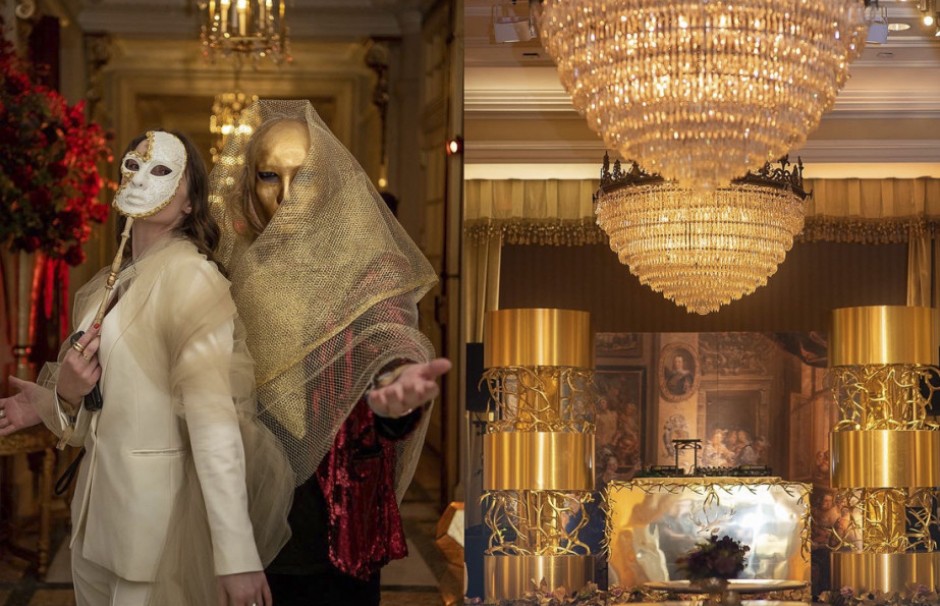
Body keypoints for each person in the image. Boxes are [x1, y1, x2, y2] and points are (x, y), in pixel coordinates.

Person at [0, 130, 292, 606]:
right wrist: (57, 397)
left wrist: (235, 554)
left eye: (161, 170)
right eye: (133, 165)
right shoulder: (112, 282)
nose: (140, 178)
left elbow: (214, 422)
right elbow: (106, 411)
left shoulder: (192, 279)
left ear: (191, 202)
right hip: (95, 522)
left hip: (155, 532)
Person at [209, 99, 451, 605]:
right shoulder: (223, 272)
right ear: (248, 184)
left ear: (330, 182)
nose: (287, 195)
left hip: (338, 520)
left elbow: (391, 340)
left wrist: (394, 391)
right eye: (270, 176)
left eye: (305, 176)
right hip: (244, 519)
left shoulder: (367, 271)